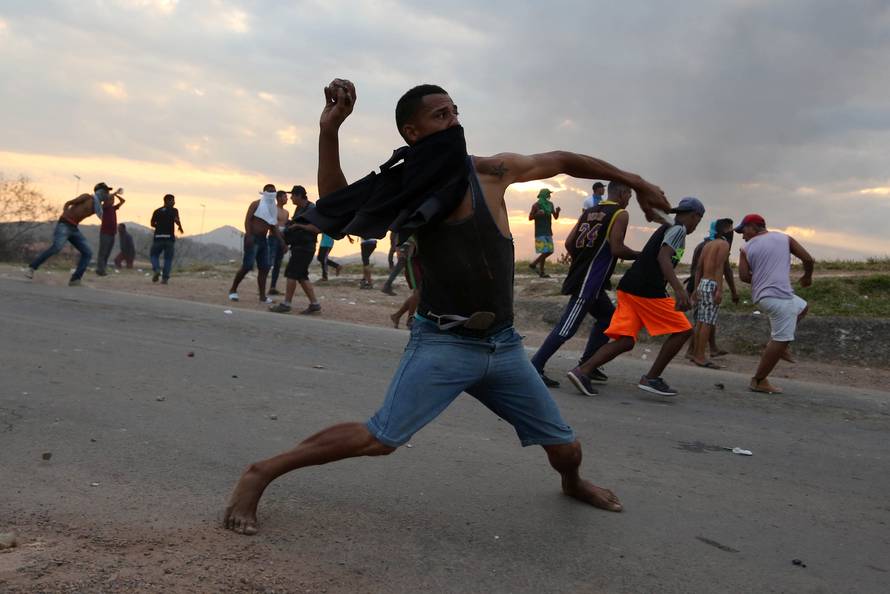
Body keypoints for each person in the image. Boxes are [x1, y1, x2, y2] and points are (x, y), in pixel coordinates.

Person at [223, 78, 671, 536]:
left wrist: (634, 181)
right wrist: (330, 131)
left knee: (567, 449)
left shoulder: (490, 172)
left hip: (503, 344)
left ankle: (572, 484)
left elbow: (559, 159)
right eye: (441, 115)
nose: (454, 121)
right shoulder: (407, 188)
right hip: (443, 341)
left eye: (456, 111)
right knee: (380, 439)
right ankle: (262, 473)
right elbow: (338, 205)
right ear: (412, 132)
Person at [567, 197, 704, 397]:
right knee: (684, 330)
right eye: (697, 221)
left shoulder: (668, 227)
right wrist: (679, 289)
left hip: (629, 286)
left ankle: (582, 371)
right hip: (647, 290)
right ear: (694, 216)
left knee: (626, 341)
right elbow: (663, 258)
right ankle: (652, 378)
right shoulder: (679, 230)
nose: (695, 225)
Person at [530, 181, 639, 387]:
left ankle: (588, 364)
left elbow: (570, 243)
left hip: (589, 279)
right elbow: (617, 249)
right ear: (623, 193)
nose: (629, 201)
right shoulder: (619, 214)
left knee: (607, 317)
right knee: (566, 327)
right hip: (590, 281)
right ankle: (535, 367)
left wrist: (583, 259)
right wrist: (641, 255)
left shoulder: (589, 211)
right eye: (629, 197)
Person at [737, 214, 814, 394]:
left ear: (754, 226)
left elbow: (743, 276)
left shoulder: (745, 248)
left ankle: (780, 348)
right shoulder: (784, 238)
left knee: (802, 307)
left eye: (744, 230)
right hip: (778, 297)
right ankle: (758, 380)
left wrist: (761, 278)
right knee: (781, 338)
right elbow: (808, 259)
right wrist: (807, 276)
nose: (742, 235)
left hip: (765, 297)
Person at [26, 182, 118, 286]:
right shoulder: (87, 197)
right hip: (65, 225)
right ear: (100, 191)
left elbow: (107, 202)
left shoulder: (97, 207)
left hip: (73, 228)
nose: (106, 194)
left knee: (87, 253)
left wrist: (115, 194)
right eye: (105, 191)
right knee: (56, 247)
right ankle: (32, 267)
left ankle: (75, 279)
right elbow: (68, 203)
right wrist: (65, 214)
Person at [683, 221, 739, 359]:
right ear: (725, 230)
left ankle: (697, 353)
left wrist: (696, 288)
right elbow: (721, 267)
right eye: (730, 228)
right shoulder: (724, 245)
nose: (733, 231)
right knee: (707, 322)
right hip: (712, 285)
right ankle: (700, 355)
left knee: (701, 321)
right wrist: (719, 289)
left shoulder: (707, 245)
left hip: (702, 284)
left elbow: (698, 269)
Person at [228, 185, 286, 303]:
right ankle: (233, 290)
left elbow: (273, 226)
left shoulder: (272, 209)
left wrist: (282, 242)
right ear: (264, 192)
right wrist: (248, 235)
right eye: (269, 191)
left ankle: (262, 296)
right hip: (253, 238)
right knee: (247, 265)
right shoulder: (256, 204)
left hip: (263, 240)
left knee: (264, 268)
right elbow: (248, 220)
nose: (272, 193)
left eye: (273, 191)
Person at [269, 186, 321, 314]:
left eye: (292, 195)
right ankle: (315, 305)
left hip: (305, 247)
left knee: (291, 273)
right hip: (298, 246)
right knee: (302, 276)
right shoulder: (299, 209)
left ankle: (286, 304)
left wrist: (298, 225)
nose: (290, 198)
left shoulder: (311, 208)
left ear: (298, 195)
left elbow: (318, 229)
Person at [149, 194, 184, 284]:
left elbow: (152, 223)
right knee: (168, 259)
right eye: (172, 200)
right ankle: (165, 278)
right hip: (169, 238)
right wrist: (180, 227)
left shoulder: (157, 211)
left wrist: (159, 226)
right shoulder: (174, 211)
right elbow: (176, 220)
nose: (174, 202)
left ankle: (156, 269)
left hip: (158, 238)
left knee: (154, 255)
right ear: (167, 201)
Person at [389, 236, 421, 328]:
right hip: (412, 263)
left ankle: (397, 316)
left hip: (421, 262)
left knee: (420, 293)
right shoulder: (406, 229)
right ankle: (409, 320)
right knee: (418, 292)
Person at [528, 189, 561, 278]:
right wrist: (537, 214)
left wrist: (557, 211)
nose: (549, 195)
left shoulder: (550, 205)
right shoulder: (536, 205)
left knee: (547, 251)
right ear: (543, 195)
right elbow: (530, 217)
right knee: (546, 251)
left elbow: (555, 217)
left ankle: (537, 267)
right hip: (539, 232)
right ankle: (536, 267)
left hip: (548, 231)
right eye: (548, 194)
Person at [95, 188, 126, 276]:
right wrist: (114, 193)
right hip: (105, 233)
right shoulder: (105, 207)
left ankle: (102, 269)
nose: (112, 201)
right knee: (103, 252)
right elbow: (107, 200)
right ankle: (100, 269)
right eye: (111, 199)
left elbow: (123, 201)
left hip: (112, 233)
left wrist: (116, 195)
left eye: (113, 200)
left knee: (107, 252)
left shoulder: (113, 208)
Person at [267, 190, 290, 296]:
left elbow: (286, 227)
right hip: (273, 238)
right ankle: (263, 286)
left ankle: (273, 287)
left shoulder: (286, 212)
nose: (287, 199)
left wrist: (285, 242)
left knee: (277, 264)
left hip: (282, 239)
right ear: (279, 198)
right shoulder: (274, 209)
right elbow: (273, 225)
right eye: (285, 197)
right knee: (269, 262)